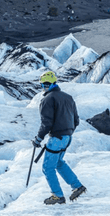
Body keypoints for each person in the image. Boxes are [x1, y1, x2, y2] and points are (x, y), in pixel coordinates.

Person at [31, 71, 87, 205]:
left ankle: (57, 195)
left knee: (47, 167)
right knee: (58, 163)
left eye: (46, 84)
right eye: (42, 85)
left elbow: (46, 123)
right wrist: (68, 132)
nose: (44, 87)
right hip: (67, 138)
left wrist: (38, 139)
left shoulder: (47, 100)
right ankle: (77, 186)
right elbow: (76, 120)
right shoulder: (68, 97)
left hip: (56, 138)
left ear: (52, 83)